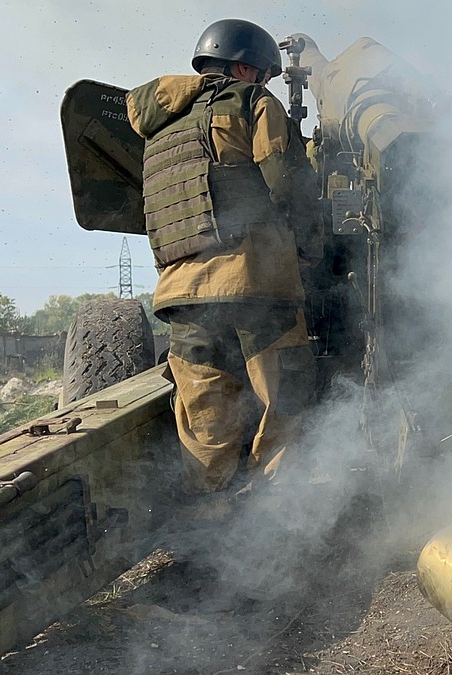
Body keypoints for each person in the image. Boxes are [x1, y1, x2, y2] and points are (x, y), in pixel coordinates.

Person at [126, 19, 318, 498]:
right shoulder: (252, 102)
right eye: (266, 75)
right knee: (284, 395)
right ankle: (276, 508)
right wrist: (313, 241)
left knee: (204, 409)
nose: (268, 84)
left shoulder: (159, 129)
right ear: (244, 67)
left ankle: (213, 516)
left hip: (181, 292)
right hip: (254, 280)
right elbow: (285, 180)